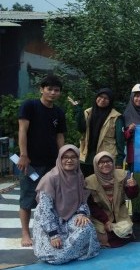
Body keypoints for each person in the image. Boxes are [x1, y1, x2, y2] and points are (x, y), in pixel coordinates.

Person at [17, 74, 67, 247]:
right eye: (49, 89)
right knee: (28, 197)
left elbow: (60, 137)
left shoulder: (59, 112)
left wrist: (62, 159)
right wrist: (24, 155)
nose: (53, 93)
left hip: (52, 164)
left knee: (51, 199)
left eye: (56, 90)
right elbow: (22, 130)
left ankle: (49, 232)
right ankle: (25, 233)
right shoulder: (30, 106)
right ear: (41, 89)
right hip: (31, 163)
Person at [32, 144, 100, 264]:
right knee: (55, 255)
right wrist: (53, 235)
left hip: (69, 218)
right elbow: (45, 210)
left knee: (87, 227)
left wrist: (82, 214)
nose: (69, 160)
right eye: (65, 157)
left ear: (78, 159)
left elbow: (82, 200)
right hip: (50, 222)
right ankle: (67, 254)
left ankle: (65, 254)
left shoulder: (78, 176)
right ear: (59, 159)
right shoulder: (50, 178)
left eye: (73, 157)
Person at [86, 151, 139, 247]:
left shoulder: (123, 175)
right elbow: (91, 206)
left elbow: (132, 196)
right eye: (101, 162)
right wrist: (106, 221)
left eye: (108, 161)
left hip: (120, 214)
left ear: (113, 163)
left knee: (125, 231)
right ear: (96, 165)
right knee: (104, 237)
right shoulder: (89, 181)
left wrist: (133, 187)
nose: (105, 164)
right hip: (100, 217)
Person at [69, 88, 125, 176]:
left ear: (110, 101)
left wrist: (119, 161)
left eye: (106, 98)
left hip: (105, 157)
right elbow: (81, 129)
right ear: (96, 97)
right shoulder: (88, 112)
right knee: (85, 183)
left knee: (102, 185)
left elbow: (120, 141)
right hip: (86, 156)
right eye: (100, 97)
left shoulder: (116, 117)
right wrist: (78, 111)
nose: (102, 100)